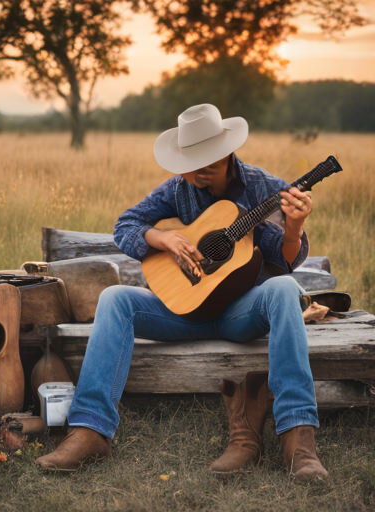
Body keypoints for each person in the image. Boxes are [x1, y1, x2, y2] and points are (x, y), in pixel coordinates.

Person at [36, 104, 328, 482]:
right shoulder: (177, 187)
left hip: (240, 313)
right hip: (182, 312)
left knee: (285, 287)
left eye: (200, 162)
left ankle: (297, 439)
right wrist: (164, 238)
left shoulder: (263, 189)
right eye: (187, 161)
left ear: (223, 155)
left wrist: (295, 229)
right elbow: (125, 225)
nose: (190, 171)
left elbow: (286, 261)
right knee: (114, 298)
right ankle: (90, 431)